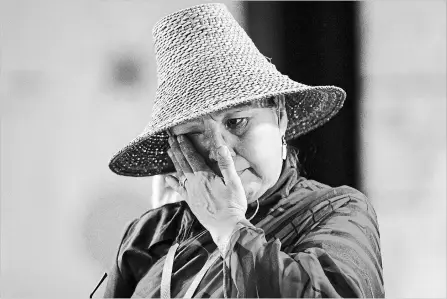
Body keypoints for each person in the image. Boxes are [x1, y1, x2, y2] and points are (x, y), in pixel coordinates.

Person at [94, 3, 385, 298]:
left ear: (280, 116)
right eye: (193, 135)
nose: (221, 152)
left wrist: (228, 226)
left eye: (237, 122)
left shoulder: (337, 211)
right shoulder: (149, 234)